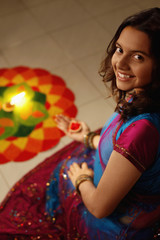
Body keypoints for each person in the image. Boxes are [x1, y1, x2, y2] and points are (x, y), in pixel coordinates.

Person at [0, 7, 160, 240]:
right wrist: (87, 137)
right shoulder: (143, 95)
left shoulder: (142, 130)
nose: (120, 64)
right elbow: (129, 151)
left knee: (67, 170)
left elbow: (99, 207)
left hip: (122, 227)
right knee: (78, 154)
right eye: (119, 49)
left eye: (138, 57)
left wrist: (81, 180)